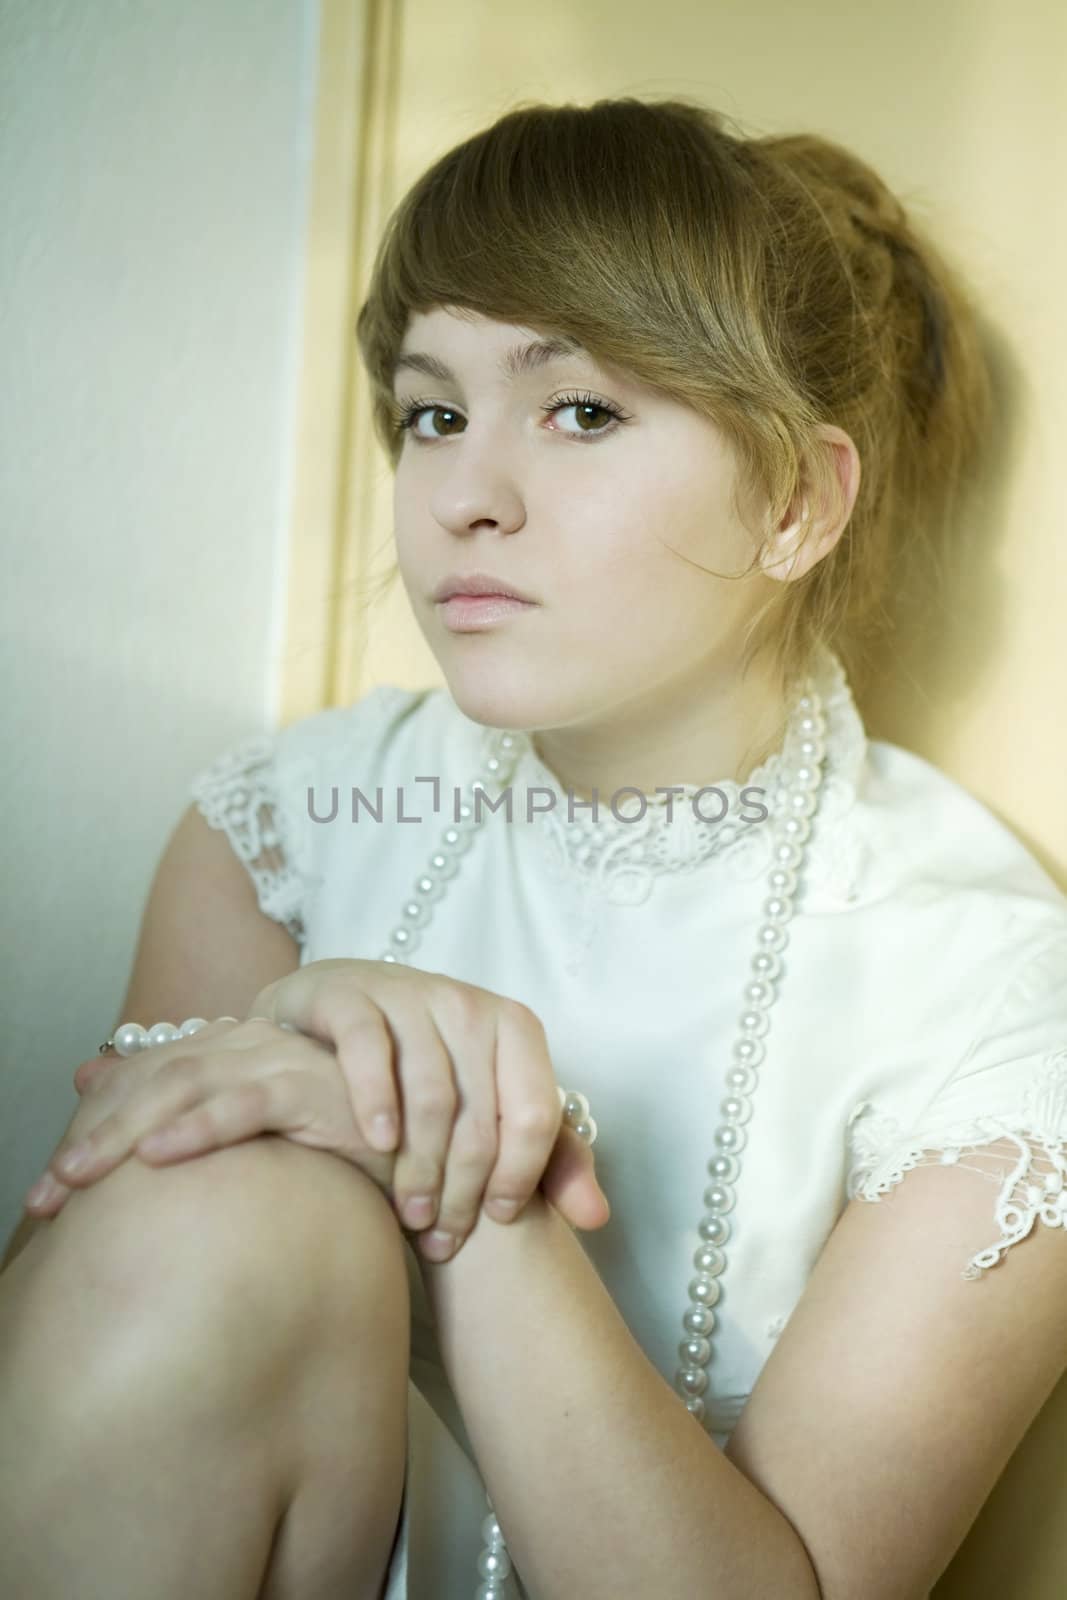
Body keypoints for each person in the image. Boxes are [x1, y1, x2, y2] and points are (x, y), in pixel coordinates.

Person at [2, 93, 1066, 1600]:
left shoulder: (988, 979)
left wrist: (457, 1173)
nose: (463, 498)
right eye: (433, 411)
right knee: (220, 1200)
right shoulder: (281, 830)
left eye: (580, 411)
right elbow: (61, 1361)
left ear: (797, 501)